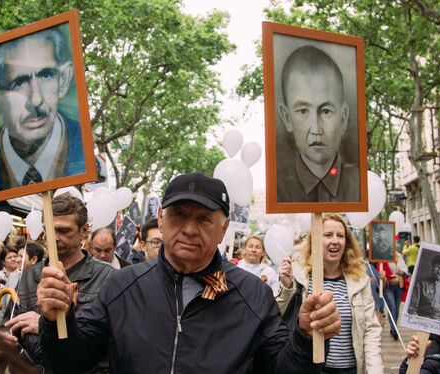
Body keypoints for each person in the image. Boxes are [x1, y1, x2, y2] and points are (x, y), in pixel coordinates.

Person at [36, 172, 340, 373]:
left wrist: (306, 337)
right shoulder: (122, 285)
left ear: (222, 230)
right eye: (179, 215)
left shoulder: (254, 296)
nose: (190, 229)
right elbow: (71, 360)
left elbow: (281, 369)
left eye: (204, 219)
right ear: (161, 219)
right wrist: (55, 321)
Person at [3, 193, 115, 373]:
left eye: (63, 231)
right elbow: (15, 324)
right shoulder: (30, 275)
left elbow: (100, 339)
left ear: (84, 231)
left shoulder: (107, 276)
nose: (54, 238)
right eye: (48, 230)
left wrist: (43, 324)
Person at [276, 213, 383, 373]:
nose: (335, 240)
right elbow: (277, 315)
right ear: (314, 241)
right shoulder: (298, 276)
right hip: (309, 368)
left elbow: (370, 331)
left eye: (340, 235)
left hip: (349, 369)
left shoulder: (360, 281)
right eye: (328, 235)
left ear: (346, 242)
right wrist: (286, 286)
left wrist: (375, 371)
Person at [0, 27, 85, 190]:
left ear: (63, 80)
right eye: (18, 83)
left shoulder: (82, 147)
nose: (36, 100)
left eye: (46, 75)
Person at [277, 45, 359, 203]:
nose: (316, 129)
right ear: (287, 118)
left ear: (343, 119)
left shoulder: (359, 187)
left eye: (326, 111)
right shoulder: (279, 189)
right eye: (303, 111)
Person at [407, 254, 440, 322]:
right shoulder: (420, 284)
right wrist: (418, 322)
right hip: (421, 320)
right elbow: (412, 309)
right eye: (437, 267)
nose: (439, 271)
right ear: (432, 267)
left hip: (439, 323)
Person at [382, 256, 406, 340]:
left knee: (397, 309)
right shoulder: (383, 258)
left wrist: (401, 272)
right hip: (388, 287)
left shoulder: (398, 256)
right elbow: (379, 272)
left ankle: (394, 328)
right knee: (392, 308)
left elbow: (404, 271)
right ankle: (394, 330)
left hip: (399, 286)